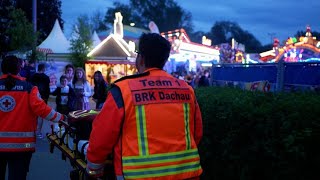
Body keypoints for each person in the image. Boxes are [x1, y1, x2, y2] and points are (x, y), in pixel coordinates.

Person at [86, 33, 203, 179]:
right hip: (186, 174)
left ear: (140, 58)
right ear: (165, 60)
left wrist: (94, 167)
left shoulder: (123, 90)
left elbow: (102, 135)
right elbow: (196, 133)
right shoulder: (186, 89)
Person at [0, 55, 65, 180]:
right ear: (18, 69)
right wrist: (62, 117)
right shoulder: (29, 89)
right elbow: (43, 110)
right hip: (21, 147)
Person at [30, 63, 51, 138]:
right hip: (43, 98)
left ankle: (32, 132)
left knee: (33, 115)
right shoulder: (46, 77)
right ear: (43, 69)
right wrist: (46, 98)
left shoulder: (32, 76)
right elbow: (47, 89)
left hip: (33, 97)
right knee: (40, 116)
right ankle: (38, 133)